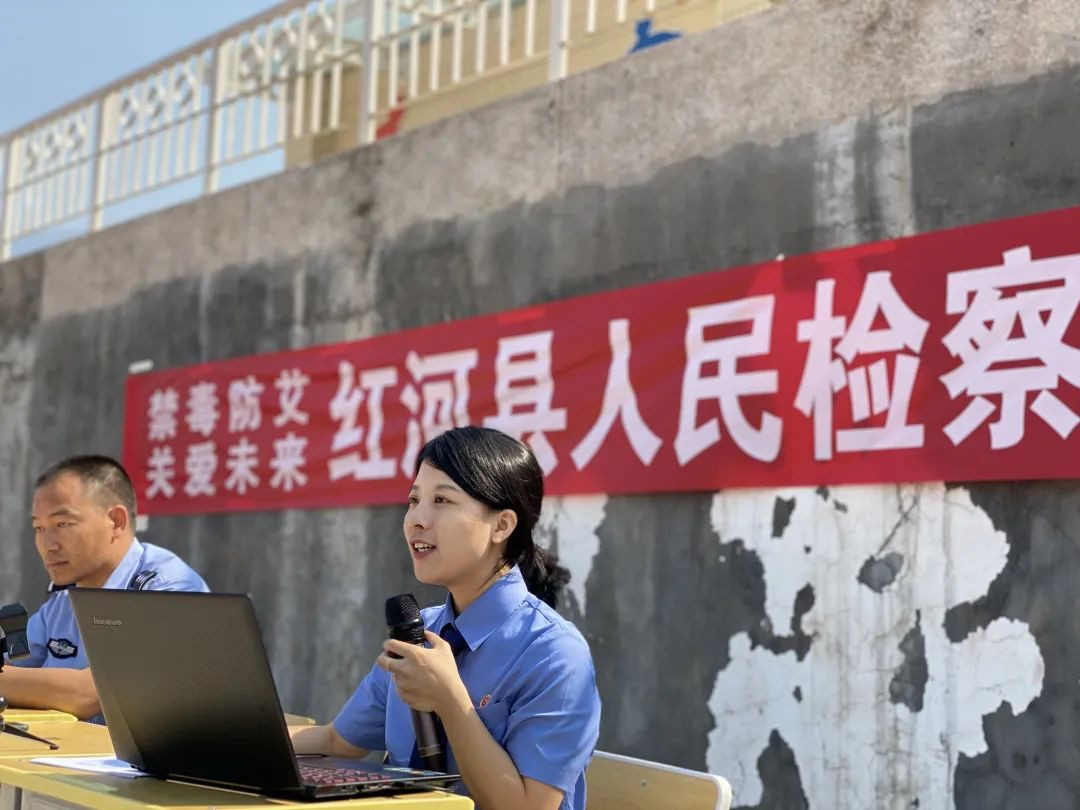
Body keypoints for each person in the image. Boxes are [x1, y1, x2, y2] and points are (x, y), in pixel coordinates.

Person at [293, 426, 601, 810]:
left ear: (502, 525)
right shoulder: (418, 632)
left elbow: (529, 806)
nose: (416, 520)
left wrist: (450, 700)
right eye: (414, 500)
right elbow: (336, 742)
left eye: (441, 500)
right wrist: (231, 739)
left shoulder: (555, 654)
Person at [0, 455, 209, 720]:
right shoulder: (62, 601)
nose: (48, 545)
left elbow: (92, 693)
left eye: (62, 524)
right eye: (39, 528)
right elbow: (15, 661)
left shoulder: (170, 589)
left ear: (117, 521)